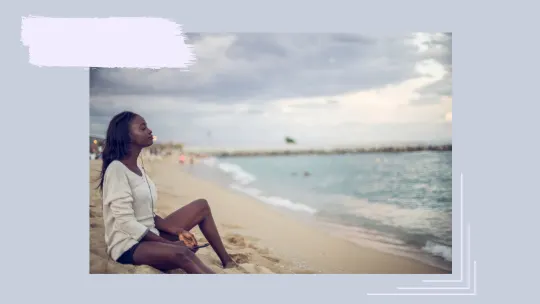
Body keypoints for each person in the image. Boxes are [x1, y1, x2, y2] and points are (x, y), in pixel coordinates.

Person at [97, 111, 236, 274]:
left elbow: (150, 215)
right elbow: (125, 222)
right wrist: (166, 242)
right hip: (129, 245)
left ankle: (228, 262)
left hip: (150, 235)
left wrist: (178, 232)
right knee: (183, 252)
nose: (149, 131)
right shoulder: (117, 169)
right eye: (142, 128)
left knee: (201, 206)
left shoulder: (139, 168)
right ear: (126, 136)